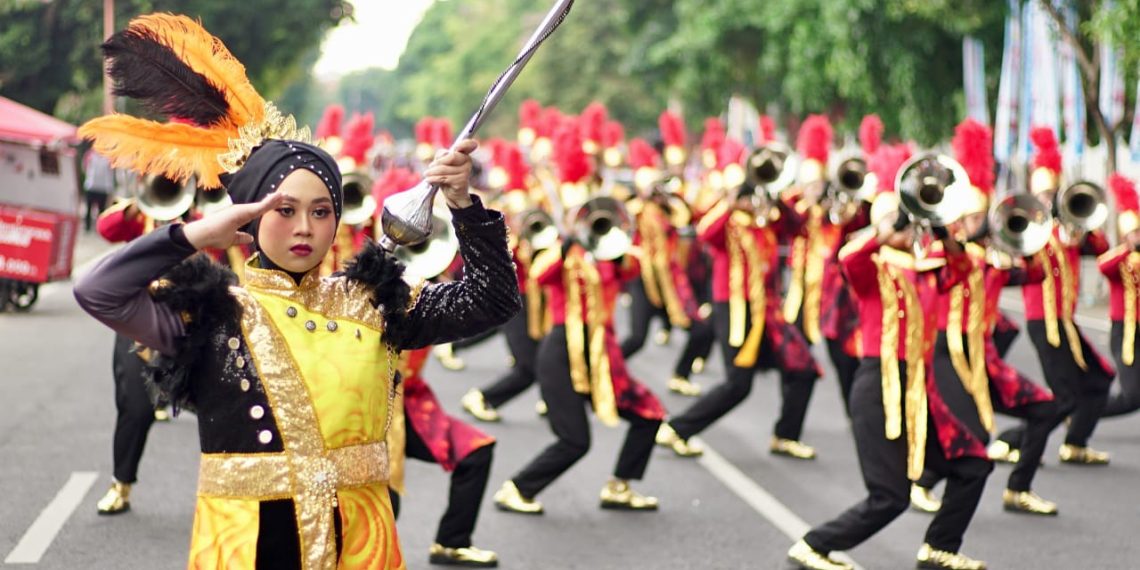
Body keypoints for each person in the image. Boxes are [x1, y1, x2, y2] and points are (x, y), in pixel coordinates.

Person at [73, 14, 519, 569]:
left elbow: (492, 300)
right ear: (250, 214)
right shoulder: (214, 314)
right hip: (247, 551)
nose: (304, 228)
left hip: (360, 549)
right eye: (283, 210)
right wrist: (195, 234)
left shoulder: (373, 302)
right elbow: (98, 291)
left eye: (321, 211)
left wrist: (464, 206)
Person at [787, 153, 991, 570]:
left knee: (973, 464)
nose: (907, 229)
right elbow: (849, 258)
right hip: (879, 388)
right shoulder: (873, 271)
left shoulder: (926, 270)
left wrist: (941, 229)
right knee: (890, 497)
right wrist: (883, 232)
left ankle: (938, 548)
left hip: (919, 392)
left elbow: (964, 267)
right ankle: (814, 545)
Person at [83, 150, 115, 232]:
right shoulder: (90, 155)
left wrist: (110, 188)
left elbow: (111, 172)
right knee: (89, 209)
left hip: (103, 188)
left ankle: (100, 228)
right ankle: (87, 227)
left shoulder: (109, 157)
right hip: (91, 186)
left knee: (101, 210)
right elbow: (85, 168)